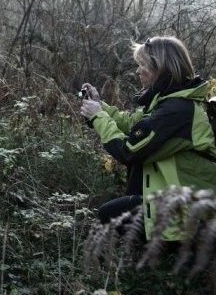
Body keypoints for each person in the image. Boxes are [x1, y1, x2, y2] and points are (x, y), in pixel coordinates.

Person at [80, 36, 216, 240]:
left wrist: (98, 117)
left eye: (142, 64)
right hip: (177, 200)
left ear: (161, 68)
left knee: (108, 215)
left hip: (187, 212)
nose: (137, 70)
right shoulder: (170, 100)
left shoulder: (176, 110)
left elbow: (128, 150)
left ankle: (155, 260)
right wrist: (101, 106)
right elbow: (135, 125)